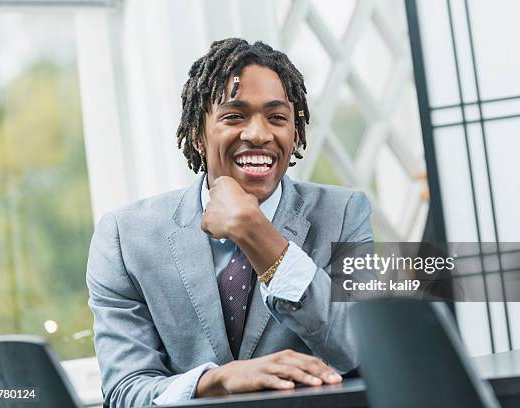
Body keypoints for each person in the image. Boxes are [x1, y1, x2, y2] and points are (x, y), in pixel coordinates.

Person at [86, 38, 374, 408]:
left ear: (296, 133)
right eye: (234, 116)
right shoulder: (125, 237)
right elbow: (126, 391)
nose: (259, 134)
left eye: (277, 117)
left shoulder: (344, 214)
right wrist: (217, 380)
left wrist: (258, 234)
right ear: (197, 134)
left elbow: (358, 349)